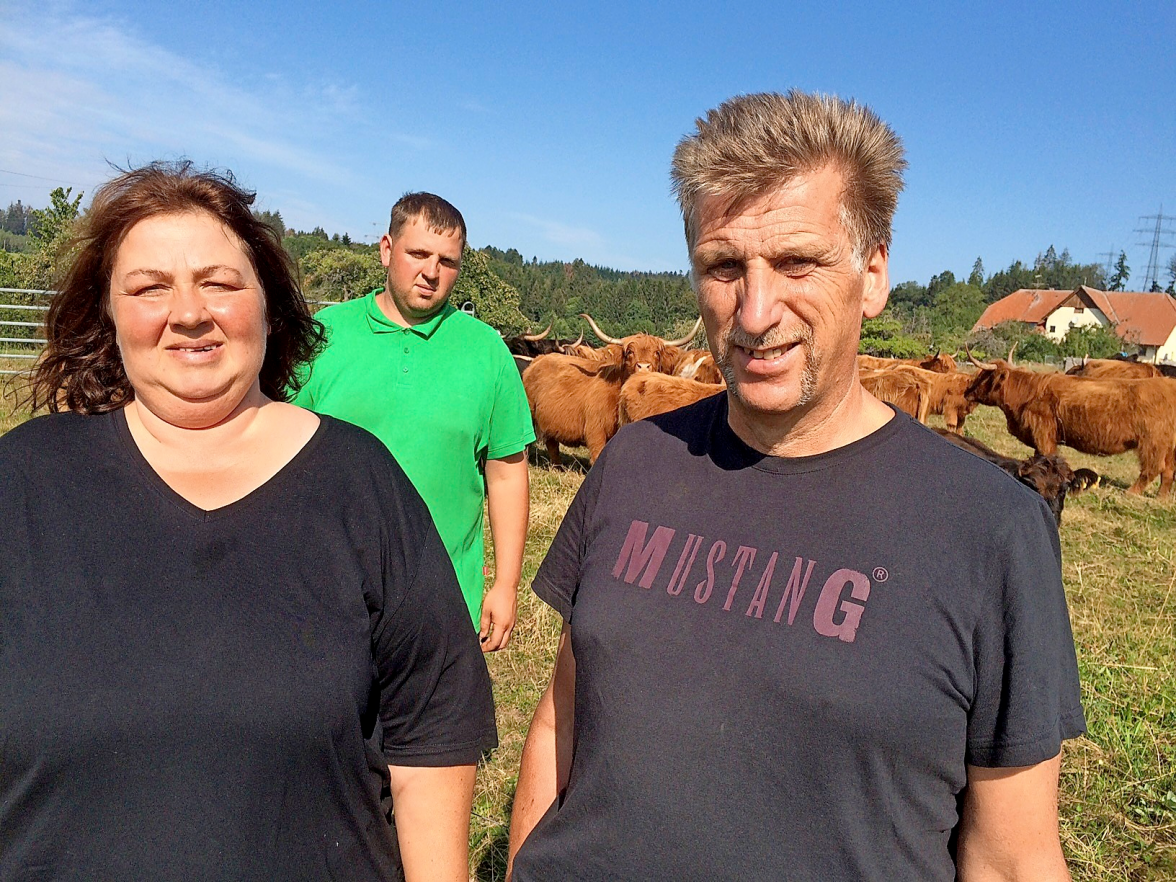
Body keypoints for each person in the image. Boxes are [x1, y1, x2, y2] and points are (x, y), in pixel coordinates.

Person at [508, 91, 1085, 880]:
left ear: (873, 273)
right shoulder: (633, 463)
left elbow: (1014, 858)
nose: (754, 309)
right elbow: (557, 723)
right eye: (723, 266)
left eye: (796, 262)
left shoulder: (992, 529)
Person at [0, 162, 496, 882]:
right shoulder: (24, 481)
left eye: (220, 283)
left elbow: (432, 741)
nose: (190, 312)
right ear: (109, 312)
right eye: (148, 288)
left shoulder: (363, 485)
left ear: (269, 302)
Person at [293, 193, 533, 651]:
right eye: (418, 254)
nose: (431, 271)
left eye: (448, 261)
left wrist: (506, 585)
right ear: (386, 249)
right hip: (327, 590)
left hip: (443, 602)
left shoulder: (486, 352)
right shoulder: (324, 336)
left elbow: (506, 472)